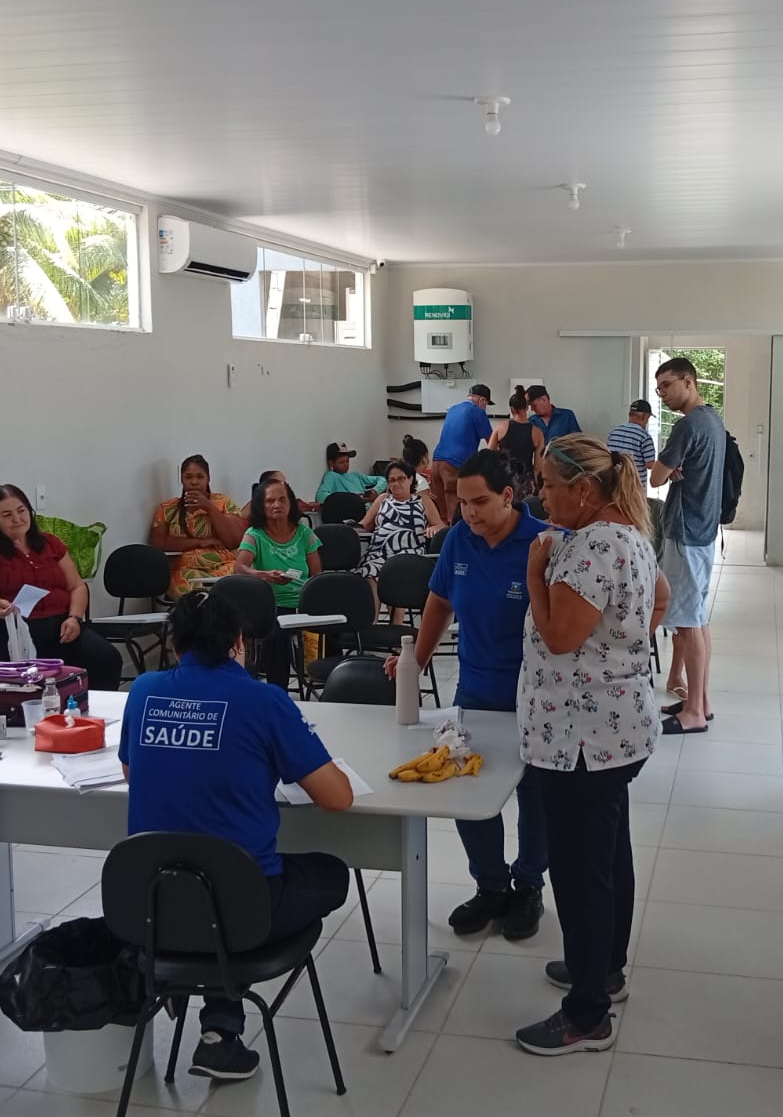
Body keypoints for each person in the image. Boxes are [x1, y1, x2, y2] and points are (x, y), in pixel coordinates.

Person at [119, 588, 353, 1082]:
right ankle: (219, 1025)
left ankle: (217, 1026)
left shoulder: (143, 691)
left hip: (153, 907)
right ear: (239, 642)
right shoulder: (264, 700)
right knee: (329, 874)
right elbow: (338, 798)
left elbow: (130, 771)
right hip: (244, 911)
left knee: (210, 883)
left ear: (174, 642)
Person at [513, 435, 668, 1055]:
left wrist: (534, 574)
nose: (540, 495)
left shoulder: (592, 547)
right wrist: (621, 650)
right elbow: (660, 599)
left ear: (581, 489)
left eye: (548, 485)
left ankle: (586, 1015)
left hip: (581, 739)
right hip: (612, 730)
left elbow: (558, 638)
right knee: (607, 855)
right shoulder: (629, 534)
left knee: (580, 872)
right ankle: (602, 969)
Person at [386, 450, 551, 939]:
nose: (469, 512)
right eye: (462, 503)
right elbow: (439, 601)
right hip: (475, 689)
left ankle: (528, 885)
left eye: (479, 502)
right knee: (467, 788)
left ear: (508, 496)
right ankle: (490, 884)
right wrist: (417, 659)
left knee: (535, 796)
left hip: (534, 694)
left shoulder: (542, 542)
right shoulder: (460, 538)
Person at [0, 484, 124, 690]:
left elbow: (77, 586)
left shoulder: (50, 543)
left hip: (60, 628)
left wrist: (74, 618)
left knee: (106, 658)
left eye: (21, 511)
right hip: (10, 630)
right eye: (7, 515)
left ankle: (91, 708)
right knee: (21, 681)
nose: (17, 519)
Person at [649, 356, 726, 733]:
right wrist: (671, 470)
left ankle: (694, 713)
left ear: (688, 382)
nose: (662, 393)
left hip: (685, 532)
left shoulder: (686, 426)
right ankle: (700, 701)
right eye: (659, 387)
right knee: (697, 619)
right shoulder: (713, 419)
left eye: (667, 385)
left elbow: (656, 478)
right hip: (704, 530)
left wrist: (665, 470)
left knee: (687, 625)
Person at [234, 478, 323, 691]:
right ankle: (278, 691)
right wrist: (264, 575)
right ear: (261, 506)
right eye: (270, 500)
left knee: (334, 630)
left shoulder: (305, 534)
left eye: (282, 499)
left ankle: (328, 685)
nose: (277, 505)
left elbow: (317, 574)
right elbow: (240, 568)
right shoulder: (254, 535)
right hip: (271, 606)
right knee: (276, 637)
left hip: (304, 604)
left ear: (290, 503)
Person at [150, 454, 247, 599]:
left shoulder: (223, 502)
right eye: (188, 477)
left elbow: (234, 541)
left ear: (208, 478)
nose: (194, 482)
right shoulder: (167, 508)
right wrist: (199, 542)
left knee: (237, 584)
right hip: (185, 570)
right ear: (181, 479)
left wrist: (209, 507)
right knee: (194, 594)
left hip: (225, 566)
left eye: (200, 477)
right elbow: (158, 543)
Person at [358, 459, 444, 618]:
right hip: (379, 552)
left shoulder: (422, 500)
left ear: (411, 479)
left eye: (401, 478)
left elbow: (440, 525)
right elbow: (364, 525)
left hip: (409, 553)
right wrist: (350, 527)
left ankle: (397, 626)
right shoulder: (382, 499)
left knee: (398, 573)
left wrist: (433, 528)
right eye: (391, 480)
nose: (396, 483)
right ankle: (372, 623)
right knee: (369, 572)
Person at [430, 384, 494, 522]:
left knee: (441, 517)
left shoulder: (452, 409)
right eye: (486, 404)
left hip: (436, 462)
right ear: (482, 400)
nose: (485, 408)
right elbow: (492, 443)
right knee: (456, 512)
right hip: (454, 464)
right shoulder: (478, 412)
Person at [489, 386, 544, 498]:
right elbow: (538, 467)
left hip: (504, 478)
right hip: (526, 482)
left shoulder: (500, 427)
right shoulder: (537, 433)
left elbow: (489, 455)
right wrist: (539, 488)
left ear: (512, 409)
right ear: (527, 407)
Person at [314, 442, 387, 505]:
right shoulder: (332, 476)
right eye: (342, 462)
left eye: (347, 461)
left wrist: (375, 490)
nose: (346, 465)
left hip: (371, 508)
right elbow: (321, 497)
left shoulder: (356, 476)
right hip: (355, 510)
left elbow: (383, 479)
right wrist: (350, 499)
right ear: (331, 463)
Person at [606, 399, 658, 485]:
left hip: (614, 483)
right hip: (633, 486)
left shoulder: (614, 432)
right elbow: (650, 465)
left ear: (630, 414)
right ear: (645, 416)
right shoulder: (644, 437)